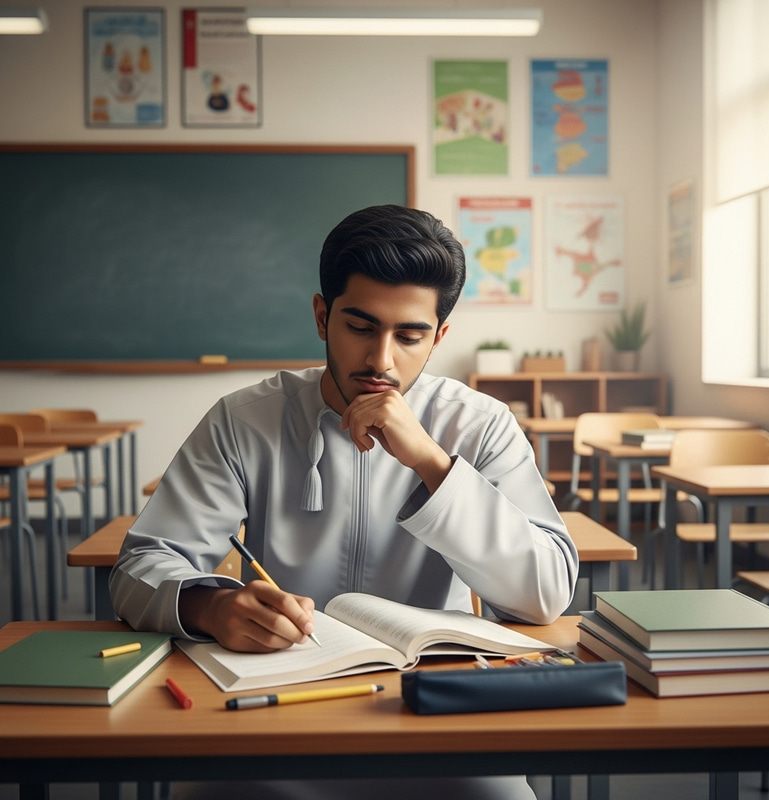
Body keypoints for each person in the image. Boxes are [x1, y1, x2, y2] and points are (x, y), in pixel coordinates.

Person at [110, 204, 578, 799]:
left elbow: (544, 595)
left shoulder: (480, 425)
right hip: (277, 713)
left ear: (439, 336)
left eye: (409, 336)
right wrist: (209, 607)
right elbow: (140, 564)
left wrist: (432, 463)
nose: (382, 360)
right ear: (322, 316)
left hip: (442, 719)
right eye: (360, 327)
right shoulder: (245, 419)